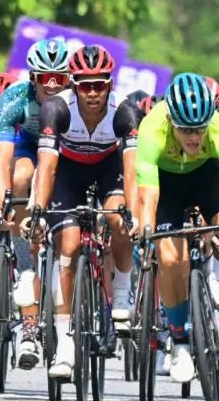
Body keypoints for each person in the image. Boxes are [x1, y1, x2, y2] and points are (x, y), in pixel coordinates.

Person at [30, 45, 142, 377]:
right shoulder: (56, 109)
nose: (92, 93)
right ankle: (64, 343)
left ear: (110, 84)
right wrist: (37, 210)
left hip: (108, 169)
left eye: (99, 85)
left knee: (118, 218)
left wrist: (133, 214)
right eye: (85, 85)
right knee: (67, 246)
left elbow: (132, 172)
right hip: (68, 172)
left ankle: (121, 291)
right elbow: (47, 167)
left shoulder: (125, 112)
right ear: (73, 85)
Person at [135, 73, 219, 383]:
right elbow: (148, 195)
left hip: (205, 177)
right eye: (186, 129)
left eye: (200, 128)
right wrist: (145, 233)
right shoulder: (151, 129)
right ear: (170, 120)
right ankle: (180, 343)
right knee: (170, 260)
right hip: (167, 185)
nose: (194, 137)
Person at [0, 39, 71, 359]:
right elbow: (0, 162)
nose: (52, 85)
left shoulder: (75, 99)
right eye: (44, 78)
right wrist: (4, 206)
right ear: (32, 77)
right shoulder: (14, 98)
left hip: (65, 151)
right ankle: (25, 262)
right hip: (29, 147)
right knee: (21, 176)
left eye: (59, 78)